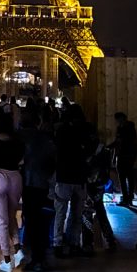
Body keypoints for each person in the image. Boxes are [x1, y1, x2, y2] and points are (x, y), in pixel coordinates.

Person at [0, 113, 25, 272]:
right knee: (11, 216)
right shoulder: (17, 140)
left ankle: (7, 260)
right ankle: (18, 250)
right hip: (16, 177)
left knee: (1, 221)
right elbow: (22, 160)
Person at [19, 110, 56, 271]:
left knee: (31, 221)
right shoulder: (45, 140)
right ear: (38, 122)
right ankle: (40, 258)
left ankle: (34, 257)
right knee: (42, 222)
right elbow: (53, 159)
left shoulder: (20, 138)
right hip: (42, 185)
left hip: (26, 184)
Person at [53, 103, 89, 258]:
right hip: (79, 177)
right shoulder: (84, 131)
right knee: (77, 213)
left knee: (60, 212)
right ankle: (74, 243)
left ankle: (57, 244)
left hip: (63, 177)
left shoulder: (61, 131)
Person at [112, 111, 137, 206]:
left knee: (122, 177)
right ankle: (130, 196)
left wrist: (111, 151)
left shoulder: (121, 129)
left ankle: (126, 198)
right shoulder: (131, 128)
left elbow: (118, 142)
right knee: (130, 176)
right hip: (131, 155)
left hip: (123, 155)